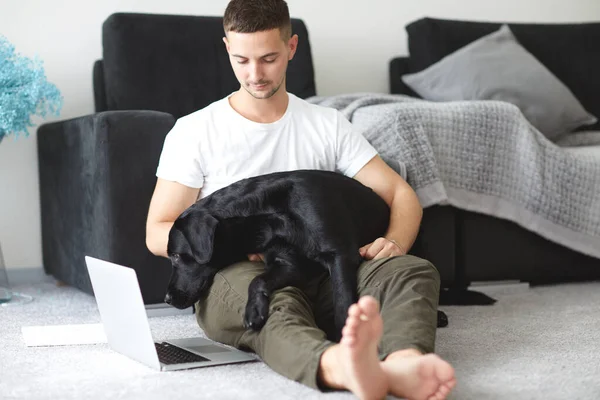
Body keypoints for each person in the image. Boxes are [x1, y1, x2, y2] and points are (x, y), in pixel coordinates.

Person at [146, 1, 456, 399]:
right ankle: (340, 367)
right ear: (226, 48)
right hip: (244, 275)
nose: (254, 74)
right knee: (275, 303)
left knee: (413, 271)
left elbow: (399, 193)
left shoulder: (326, 125)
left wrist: (393, 243)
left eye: (269, 58)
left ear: (292, 48)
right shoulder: (193, 132)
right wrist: (232, 244)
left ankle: (404, 362)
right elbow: (158, 231)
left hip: (327, 272)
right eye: (241, 59)